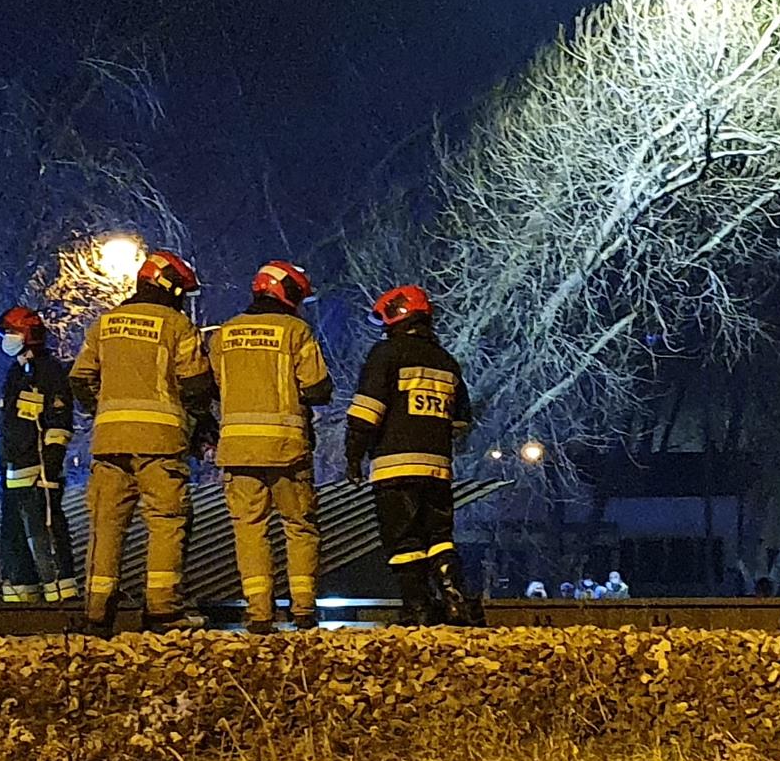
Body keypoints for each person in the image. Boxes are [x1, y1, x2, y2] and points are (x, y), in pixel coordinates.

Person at [70, 248, 212, 630]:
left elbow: (80, 379)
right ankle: (163, 610)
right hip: (160, 445)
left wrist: (103, 411)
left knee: (106, 526)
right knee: (167, 522)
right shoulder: (176, 326)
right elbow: (197, 386)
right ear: (169, 286)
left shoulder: (105, 324)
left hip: (109, 444)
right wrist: (198, 425)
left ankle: (96, 615)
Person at [210, 260, 332, 633]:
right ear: (286, 292)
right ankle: (304, 610)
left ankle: (260, 613)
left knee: (249, 529)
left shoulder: (224, 334)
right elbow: (317, 389)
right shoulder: (296, 331)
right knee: (299, 526)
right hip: (286, 449)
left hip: (237, 448)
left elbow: (211, 385)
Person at [344, 284, 476, 626]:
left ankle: (417, 607)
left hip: (394, 466)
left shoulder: (386, 355)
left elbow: (366, 412)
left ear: (396, 314)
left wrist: (353, 456)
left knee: (403, 539)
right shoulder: (446, 361)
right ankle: (453, 597)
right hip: (437, 468)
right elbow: (461, 420)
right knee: (439, 536)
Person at [0, 306, 82, 604]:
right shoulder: (16, 372)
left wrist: (53, 460)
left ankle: (60, 596)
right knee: (14, 537)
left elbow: (58, 418)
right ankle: (20, 597)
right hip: (14, 471)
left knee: (45, 534)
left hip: (40, 469)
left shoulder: (48, 371)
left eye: (10, 332)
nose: (6, 339)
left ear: (26, 334)